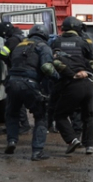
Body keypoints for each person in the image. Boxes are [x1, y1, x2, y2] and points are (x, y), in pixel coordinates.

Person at [4, 24, 57, 160]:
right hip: (30, 84)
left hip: (12, 83)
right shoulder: (43, 47)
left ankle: (12, 141)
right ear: (44, 35)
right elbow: (46, 67)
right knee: (41, 117)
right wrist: (58, 77)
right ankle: (37, 151)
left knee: (12, 114)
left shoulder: (19, 45)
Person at [51, 16, 93, 155]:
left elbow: (53, 60)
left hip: (70, 84)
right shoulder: (83, 42)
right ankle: (89, 146)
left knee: (59, 115)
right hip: (87, 83)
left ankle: (72, 140)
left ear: (63, 28)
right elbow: (91, 55)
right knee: (88, 115)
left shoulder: (56, 42)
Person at [0, 20, 31, 133]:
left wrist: (7, 61)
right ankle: (23, 124)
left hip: (15, 72)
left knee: (14, 100)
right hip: (27, 71)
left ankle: (21, 125)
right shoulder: (22, 36)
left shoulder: (12, 40)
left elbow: (2, 54)